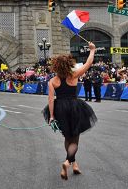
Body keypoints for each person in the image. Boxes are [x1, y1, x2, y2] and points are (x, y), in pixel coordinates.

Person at [42, 42, 98, 181]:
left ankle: (74, 164)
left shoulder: (52, 81)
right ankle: (68, 162)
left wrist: (51, 117)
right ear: (68, 64)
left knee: (67, 137)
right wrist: (92, 50)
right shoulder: (74, 75)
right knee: (75, 140)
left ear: (56, 66)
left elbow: (50, 100)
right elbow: (88, 63)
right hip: (74, 106)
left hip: (60, 108)